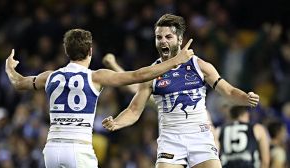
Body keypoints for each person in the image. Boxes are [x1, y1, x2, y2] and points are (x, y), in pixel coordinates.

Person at [5, 28, 195, 168]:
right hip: (79, 149)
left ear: (66, 51)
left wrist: (9, 68)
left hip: (52, 149)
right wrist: (175, 61)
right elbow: (138, 76)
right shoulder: (96, 76)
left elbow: (19, 83)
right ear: (90, 51)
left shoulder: (49, 76)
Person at [102, 14, 260, 168]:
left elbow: (229, 91)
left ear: (179, 39)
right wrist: (117, 122)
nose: (163, 41)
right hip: (170, 140)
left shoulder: (199, 66)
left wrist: (245, 97)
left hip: (200, 137)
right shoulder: (152, 73)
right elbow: (134, 110)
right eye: (159, 37)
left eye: (168, 37)